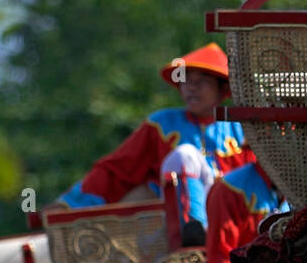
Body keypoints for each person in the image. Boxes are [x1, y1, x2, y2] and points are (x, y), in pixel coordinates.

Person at [53, 44, 252, 227]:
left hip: (231, 214)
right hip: (173, 219)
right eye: (185, 81)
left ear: (222, 88)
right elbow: (118, 169)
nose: (191, 87)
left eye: (202, 81)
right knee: (180, 159)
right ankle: (194, 229)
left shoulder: (242, 128)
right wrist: (68, 205)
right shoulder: (162, 123)